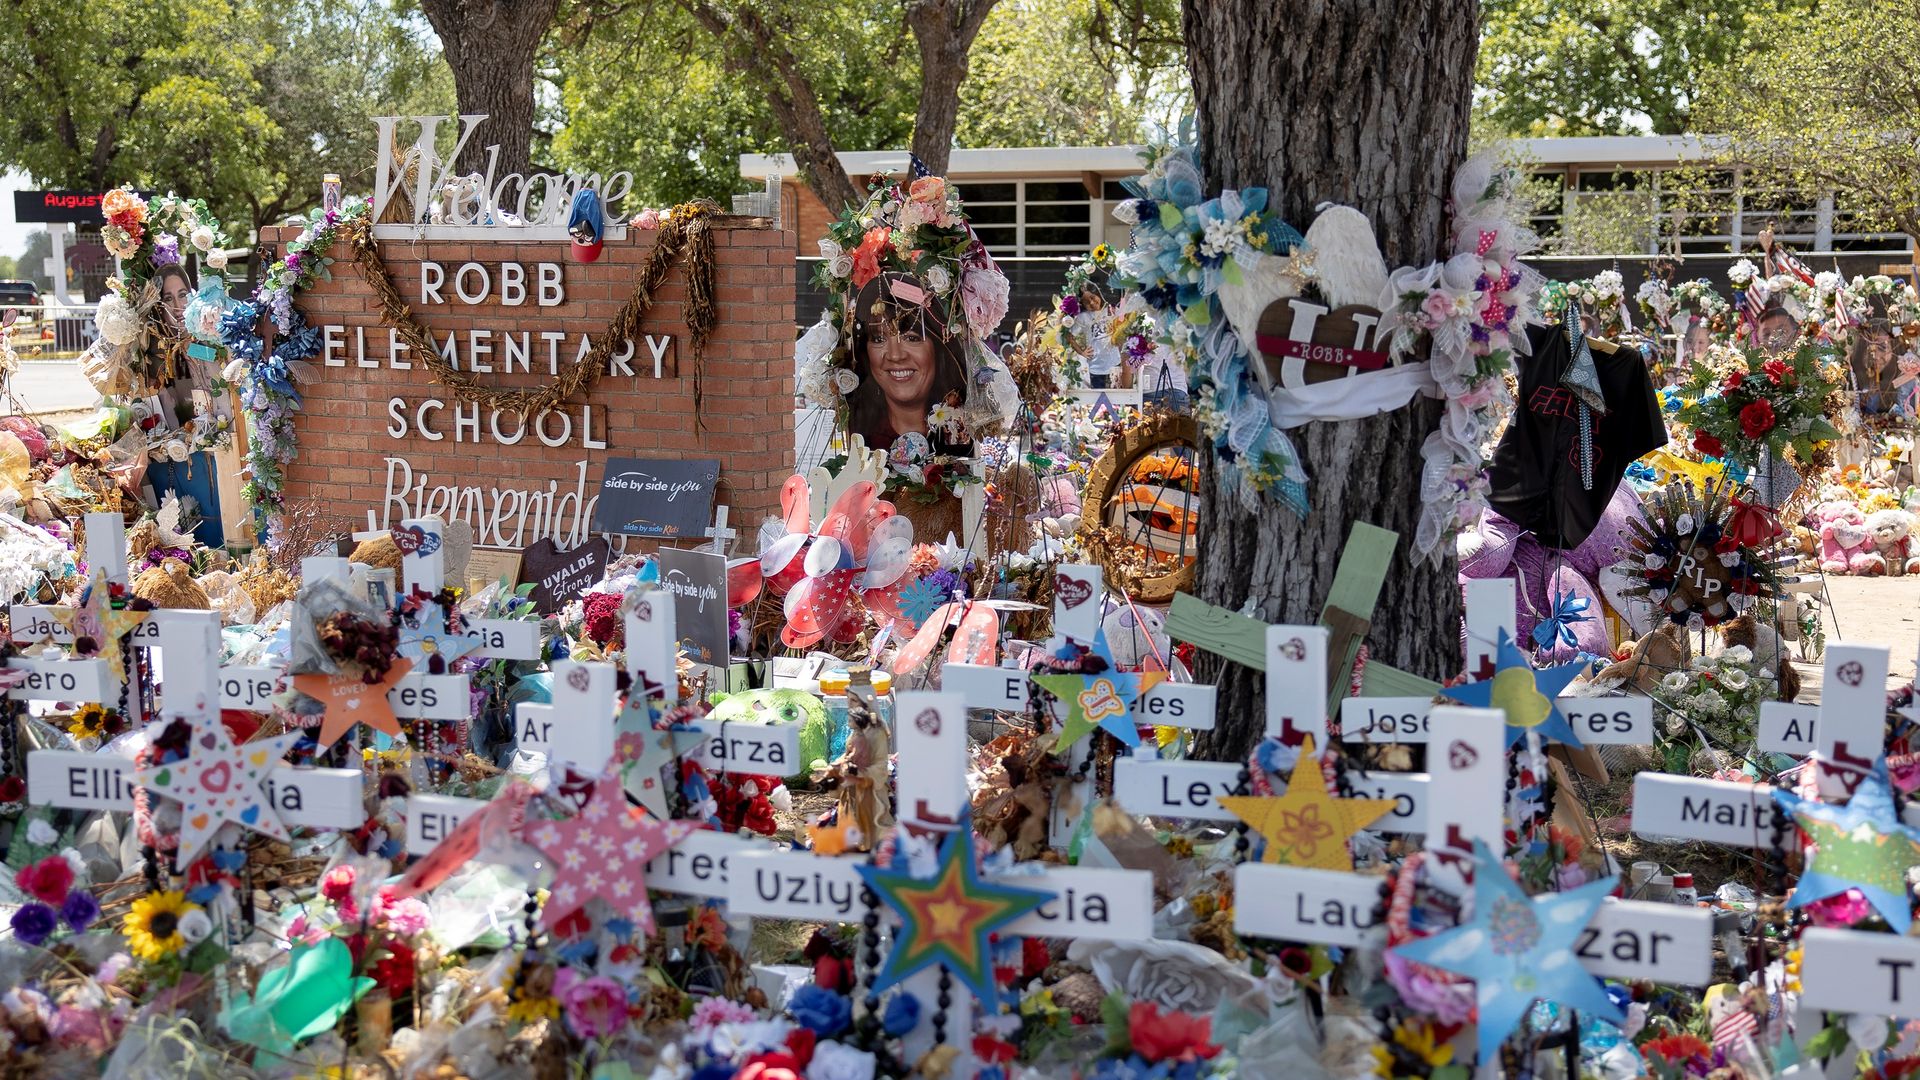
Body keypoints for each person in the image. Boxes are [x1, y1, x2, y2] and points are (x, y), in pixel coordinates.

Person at [845, 271, 972, 456]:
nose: (895, 356)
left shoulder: (958, 432)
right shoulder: (863, 439)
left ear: (938, 348)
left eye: (911, 338)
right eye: (879, 339)